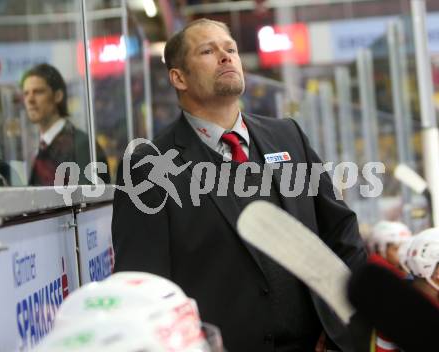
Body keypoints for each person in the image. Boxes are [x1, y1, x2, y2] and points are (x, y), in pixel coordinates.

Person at [112, 19, 367, 351]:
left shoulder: (288, 136)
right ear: (179, 78)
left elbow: (341, 231)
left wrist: (341, 327)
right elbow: (143, 285)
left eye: (230, 48)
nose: (225, 56)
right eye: (208, 50)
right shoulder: (148, 165)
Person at [21, 63, 109, 186]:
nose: (30, 99)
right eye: (26, 93)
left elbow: (90, 200)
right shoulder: (40, 149)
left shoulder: (81, 145)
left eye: (38, 92)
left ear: (58, 96)